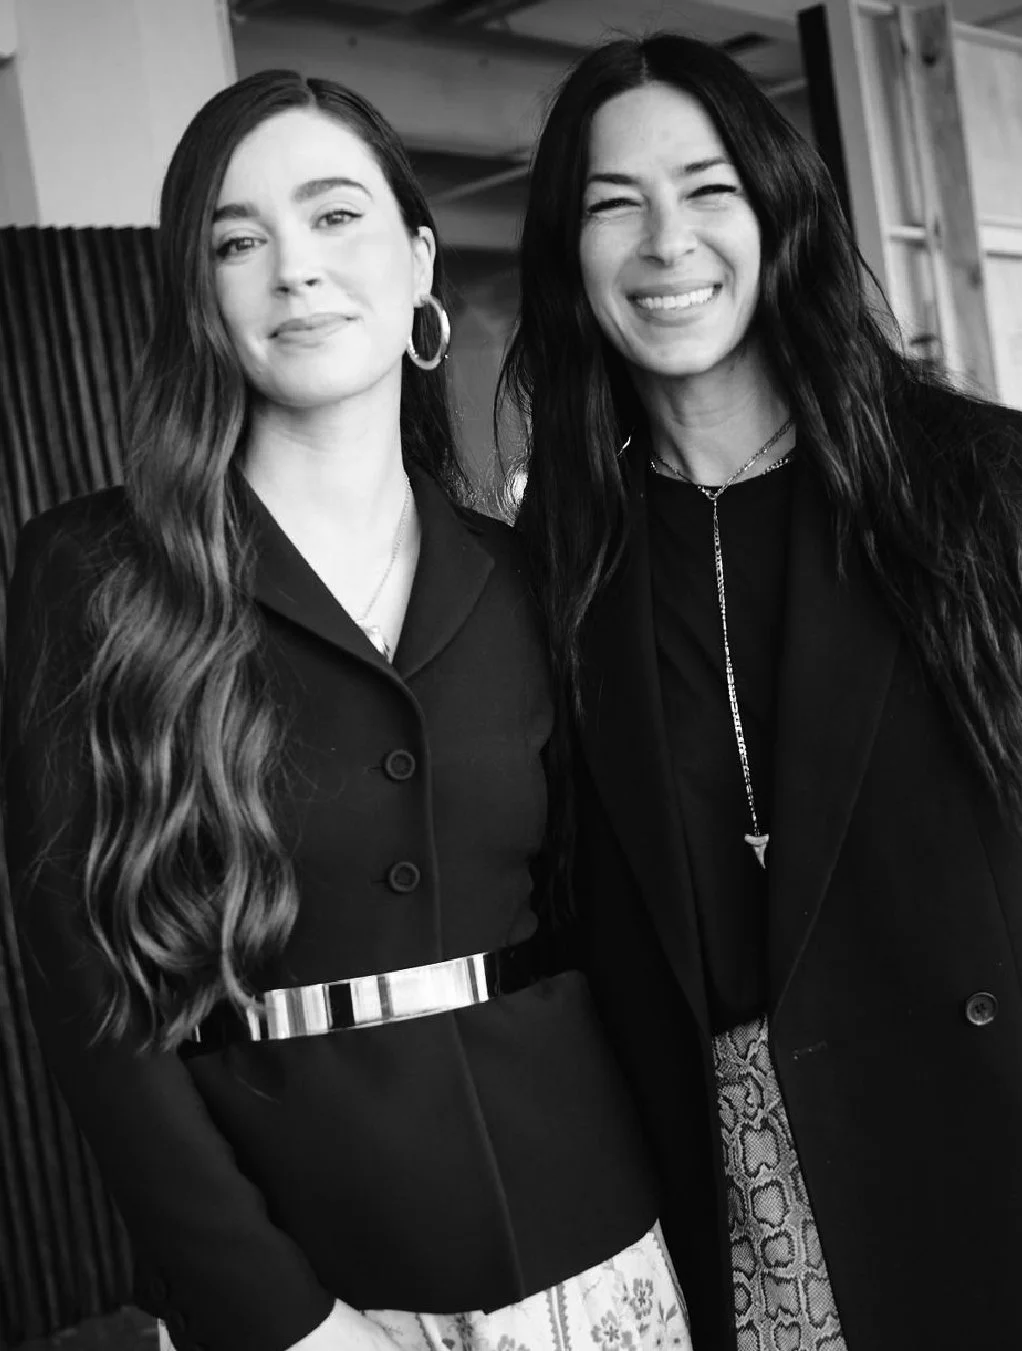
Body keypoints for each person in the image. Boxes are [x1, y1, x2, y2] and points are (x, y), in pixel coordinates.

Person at [0, 70, 693, 1351]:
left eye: (333, 218)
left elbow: (608, 923)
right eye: (238, 239)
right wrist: (281, 1317)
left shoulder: (526, 570)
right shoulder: (93, 575)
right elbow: (92, 1007)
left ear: (418, 258)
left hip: (596, 1249)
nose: (294, 271)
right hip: (309, 1277)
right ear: (198, 292)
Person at [500, 31, 1022, 1351]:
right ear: (564, 250)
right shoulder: (548, 573)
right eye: (611, 202)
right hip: (713, 1212)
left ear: (780, 211)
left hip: (999, 1173)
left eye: (707, 188)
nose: (665, 242)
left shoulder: (1006, 493)